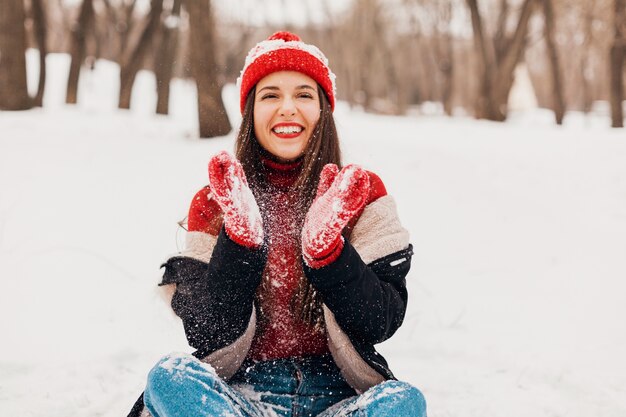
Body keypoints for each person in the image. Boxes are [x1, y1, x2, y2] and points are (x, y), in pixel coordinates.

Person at [128, 31, 426, 417]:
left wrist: (329, 254)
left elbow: (380, 321)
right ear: (251, 112)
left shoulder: (360, 192)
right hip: (240, 397)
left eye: (304, 94)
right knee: (169, 377)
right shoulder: (218, 199)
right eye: (270, 95)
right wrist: (239, 243)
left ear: (323, 110)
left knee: (403, 402)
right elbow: (204, 332)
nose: (288, 107)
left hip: (338, 396)